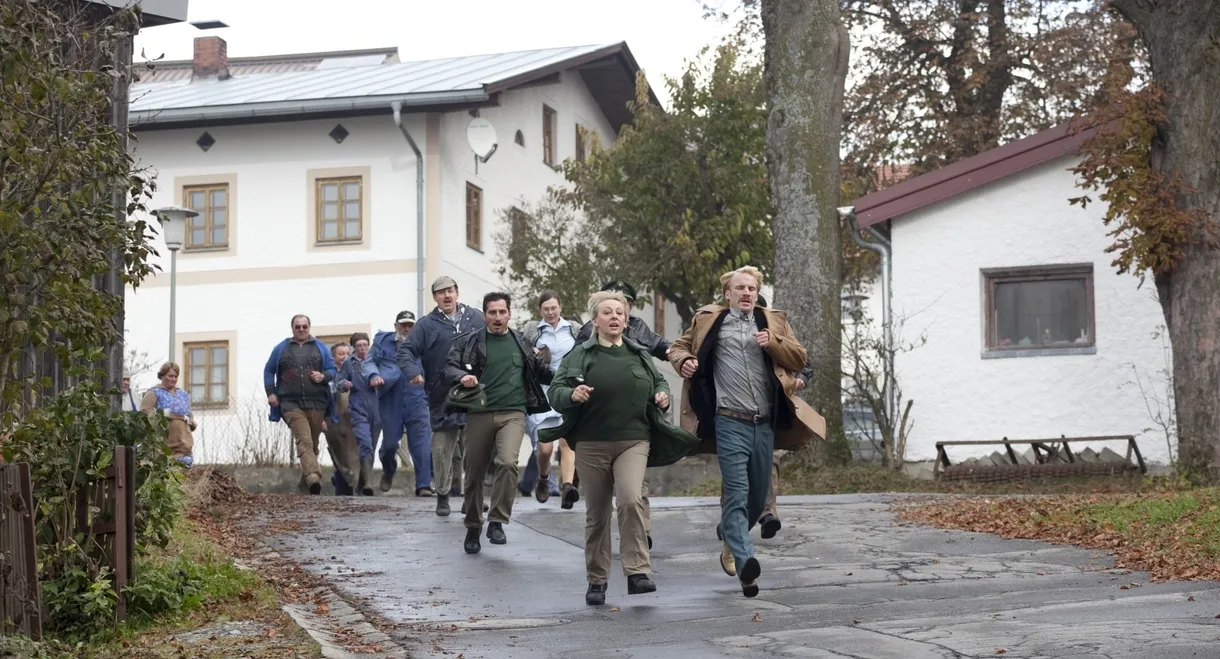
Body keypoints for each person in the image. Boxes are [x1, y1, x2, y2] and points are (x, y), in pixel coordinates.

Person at [668, 266, 822, 598]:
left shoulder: (773, 322)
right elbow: (677, 348)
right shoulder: (710, 320)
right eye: (740, 288)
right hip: (728, 421)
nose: (747, 293)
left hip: (764, 422)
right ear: (728, 294)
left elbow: (800, 357)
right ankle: (745, 562)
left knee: (757, 496)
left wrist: (774, 343)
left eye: (752, 288)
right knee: (737, 492)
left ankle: (730, 534)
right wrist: (684, 362)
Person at [543, 291, 699, 606]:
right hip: (591, 442)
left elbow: (660, 382)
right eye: (607, 312)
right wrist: (573, 395)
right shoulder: (580, 355)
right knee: (597, 514)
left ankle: (638, 571)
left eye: (619, 312)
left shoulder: (638, 353)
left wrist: (662, 395)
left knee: (630, 500)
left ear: (626, 320)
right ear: (595, 321)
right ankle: (597, 580)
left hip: (634, 439)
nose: (615, 317)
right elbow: (556, 391)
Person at [444, 292, 553, 554]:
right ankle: (473, 525)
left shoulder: (522, 342)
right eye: (492, 313)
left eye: (502, 312)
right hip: (479, 413)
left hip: (513, 413)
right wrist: (462, 377)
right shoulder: (469, 342)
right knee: (474, 473)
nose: (497, 317)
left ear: (509, 314)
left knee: (507, 462)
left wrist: (569, 378)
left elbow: (542, 370)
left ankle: (497, 521)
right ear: (485, 315)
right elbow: (449, 368)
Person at [574, 279, 667, 547]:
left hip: (635, 427)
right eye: (611, 307)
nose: (617, 311)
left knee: (634, 490)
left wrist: (677, 355)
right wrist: (575, 392)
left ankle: (641, 535)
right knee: (599, 506)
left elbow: (659, 348)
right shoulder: (586, 336)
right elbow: (570, 374)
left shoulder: (639, 330)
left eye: (624, 304)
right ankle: (599, 571)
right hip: (596, 430)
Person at [397, 276, 486, 517]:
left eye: (450, 291)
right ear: (435, 298)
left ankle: (472, 496)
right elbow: (405, 351)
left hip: (474, 394)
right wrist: (413, 372)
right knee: (441, 450)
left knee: (474, 449)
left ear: (457, 292)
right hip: (441, 396)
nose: (446, 296)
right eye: (441, 293)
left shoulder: (476, 318)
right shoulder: (427, 324)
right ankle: (443, 495)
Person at [264, 314, 339, 495]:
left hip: (317, 402)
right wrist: (271, 392)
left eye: (304, 327)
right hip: (290, 403)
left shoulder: (320, 347)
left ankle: (305, 486)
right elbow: (269, 370)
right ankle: (313, 475)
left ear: (309, 328)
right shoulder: (281, 348)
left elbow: (332, 369)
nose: (301, 330)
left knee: (312, 445)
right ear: (292, 328)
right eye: (298, 327)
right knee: (304, 440)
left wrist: (323, 376)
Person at [517, 290, 577, 503]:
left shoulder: (574, 329)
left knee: (567, 443)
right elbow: (519, 352)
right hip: (541, 394)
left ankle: (568, 487)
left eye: (554, 308)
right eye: (546, 309)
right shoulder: (531, 330)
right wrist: (532, 355)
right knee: (545, 448)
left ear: (560, 307)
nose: (550, 312)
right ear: (540, 310)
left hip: (568, 393)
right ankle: (543, 479)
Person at [369, 311, 433, 495]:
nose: (407, 328)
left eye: (410, 325)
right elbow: (370, 362)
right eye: (403, 324)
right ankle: (389, 470)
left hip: (417, 398)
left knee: (422, 445)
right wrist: (374, 375)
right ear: (396, 325)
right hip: (390, 398)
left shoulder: (423, 345)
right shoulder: (382, 342)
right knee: (389, 445)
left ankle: (423, 485)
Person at [339, 333, 380, 495]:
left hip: (377, 407)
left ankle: (362, 483)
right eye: (358, 346)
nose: (362, 348)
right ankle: (369, 485)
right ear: (353, 348)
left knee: (372, 447)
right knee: (365, 443)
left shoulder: (376, 360)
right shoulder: (349, 364)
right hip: (358, 407)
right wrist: (345, 384)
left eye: (365, 345)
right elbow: (338, 381)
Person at [140, 361, 196, 467]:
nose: (173, 379)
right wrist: (160, 414)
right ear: (162, 375)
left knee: (183, 477)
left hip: (183, 446)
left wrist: (190, 421)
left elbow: (190, 416)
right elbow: (144, 411)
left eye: (175, 376)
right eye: (170, 376)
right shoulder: (154, 392)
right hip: (164, 447)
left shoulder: (183, 395)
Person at [325, 342, 362, 495]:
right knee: (338, 453)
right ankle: (341, 485)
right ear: (333, 358)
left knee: (353, 454)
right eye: (341, 354)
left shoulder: (356, 372)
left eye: (348, 354)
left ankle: (353, 486)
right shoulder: (329, 375)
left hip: (352, 420)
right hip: (333, 420)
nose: (345, 357)